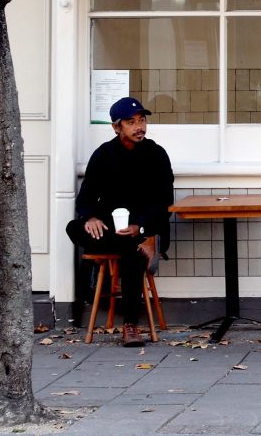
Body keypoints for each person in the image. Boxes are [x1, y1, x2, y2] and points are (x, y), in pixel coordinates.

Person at [66, 96, 174, 347]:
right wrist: (90, 217)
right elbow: (86, 196)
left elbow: (164, 203)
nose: (139, 127)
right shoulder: (104, 154)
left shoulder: (156, 154)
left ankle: (130, 325)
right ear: (116, 127)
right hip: (113, 230)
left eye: (142, 120)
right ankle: (140, 246)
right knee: (74, 227)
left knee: (131, 248)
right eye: (131, 122)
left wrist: (141, 227)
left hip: (147, 227)